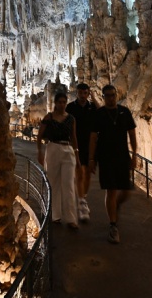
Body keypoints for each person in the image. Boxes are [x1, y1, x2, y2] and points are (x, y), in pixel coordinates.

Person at [88, 84, 138, 244]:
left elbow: (132, 134)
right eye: (107, 95)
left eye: (113, 95)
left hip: (123, 155)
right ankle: (113, 225)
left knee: (126, 190)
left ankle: (114, 206)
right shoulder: (100, 114)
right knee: (111, 190)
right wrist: (91, 159)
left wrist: (134, 155)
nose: (110, 98)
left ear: (116, 95)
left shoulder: (124, 112)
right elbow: (93, 137)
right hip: (106, 157)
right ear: (103, 97)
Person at [37, 92, 80, 229]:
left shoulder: (71, 119)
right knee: (53, 182)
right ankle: (55, 215)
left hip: (67, 150)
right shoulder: (48, 118)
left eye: (64, 102)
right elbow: (39, 136)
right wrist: (40, 152)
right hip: (53, 148)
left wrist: (77, 156)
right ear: (55, 103)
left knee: (69, 185)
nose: (62, 104)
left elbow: (73, 137)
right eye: (59, 102)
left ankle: (71, 219)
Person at [66, 82, 96, 222]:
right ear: (76, 93)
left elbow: (101, 114)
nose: (83, 95)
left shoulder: (92, 107)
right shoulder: (71, 107)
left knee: (88, 172)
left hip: (90, 144)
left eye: (85, 93)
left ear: (88, 93)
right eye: (80, 93)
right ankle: (81, 201)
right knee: (79, 171)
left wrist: (94, 98)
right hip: (75, 143)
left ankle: (83, 196)